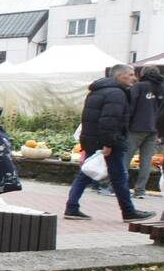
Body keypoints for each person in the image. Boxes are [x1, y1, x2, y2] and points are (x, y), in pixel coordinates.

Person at [64, 64, 156, 222]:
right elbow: (109, 121)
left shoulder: (97, 91)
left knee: (85, 173)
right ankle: (128, 212)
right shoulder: (116, 94)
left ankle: (72, 207)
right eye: (131, 74)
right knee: (119, 177)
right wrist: (108, 144)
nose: (134, 78)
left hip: (92, 140)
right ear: (119, 76)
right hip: (109, 143)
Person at [128, 66, 163, 198]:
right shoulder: (162, 87)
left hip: (136, 127)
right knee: (146, 161)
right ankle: (140, 190)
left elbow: (131, 106)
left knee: (126, 157)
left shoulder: (139, 86)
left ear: (142, 74)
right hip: (154, 129)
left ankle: (116, 186)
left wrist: (126, 123)